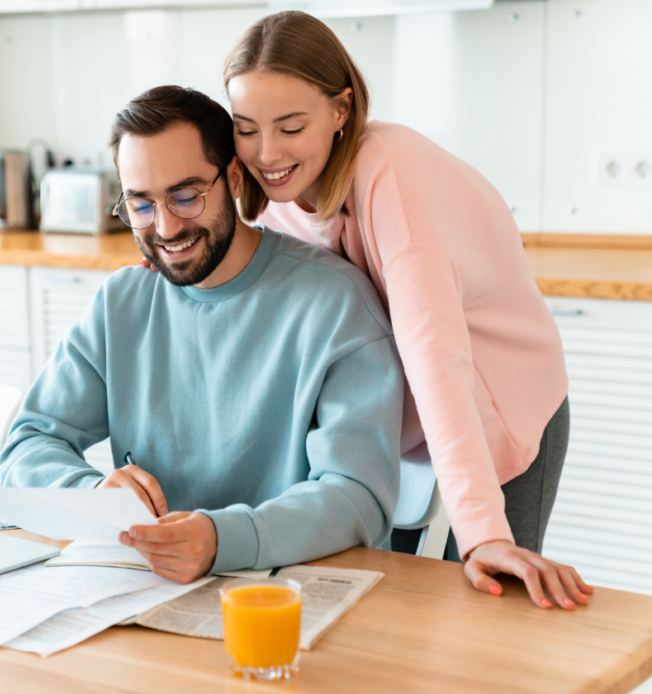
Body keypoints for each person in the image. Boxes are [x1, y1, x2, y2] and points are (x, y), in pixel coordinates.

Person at [215, 10, 591, 608]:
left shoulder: (393, 179)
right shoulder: (275, 201)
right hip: (397, 424)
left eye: (290, 127)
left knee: (484, 610)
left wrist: (483, 532)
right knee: (400, 616)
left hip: (494, 404)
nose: (267, 153)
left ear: (341, 110)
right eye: (246, 128)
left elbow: (434, 355)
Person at [0, 85, 404, 584]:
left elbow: (359, 496)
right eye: (140, 205)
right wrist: (91, 494)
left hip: (289, 591)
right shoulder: (122, 302)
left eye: (186, 196)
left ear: (234, 176)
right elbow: (28, 442)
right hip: (148, 588)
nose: (165, 228)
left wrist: (224, 539)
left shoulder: (334, 303)